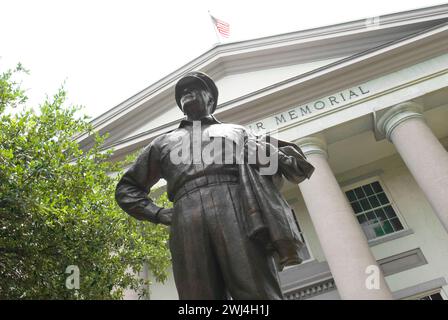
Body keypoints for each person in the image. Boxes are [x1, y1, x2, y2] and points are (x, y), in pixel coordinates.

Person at [115, 71, 314, 300]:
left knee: (257, 290)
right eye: (183, 91)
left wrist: (265, 155)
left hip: (236, 207)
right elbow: (126, 188)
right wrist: (157, 213)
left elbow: (292, 167)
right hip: (186, 215)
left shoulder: (237, 131)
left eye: (195, 88)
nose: (187, 92)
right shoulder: (162, 143)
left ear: (210, 98)